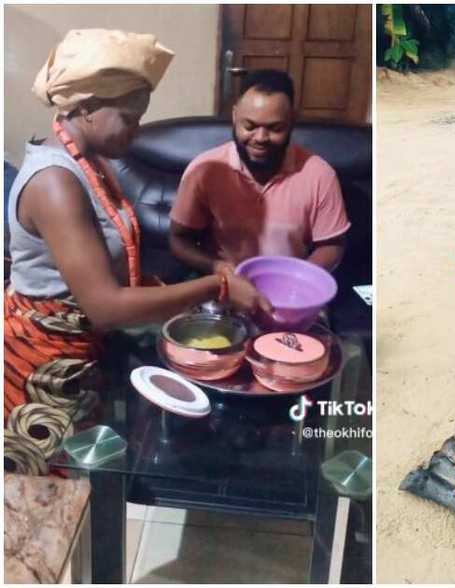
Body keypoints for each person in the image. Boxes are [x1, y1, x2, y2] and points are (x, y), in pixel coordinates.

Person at [4, 29, 273, 475]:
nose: (137, 129)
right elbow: (106, 307)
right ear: (84, 108)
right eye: (128, 117)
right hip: (44, 363)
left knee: (82, 482)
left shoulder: (90, 162)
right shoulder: (55, 183)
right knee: (48, 496)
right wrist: (219, 283)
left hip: (80, 351)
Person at [169, 69, 350, 277]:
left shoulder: (320, 175)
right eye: (249, 126)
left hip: (291, 288)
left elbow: (332, 244)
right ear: (235, 116)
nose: (260, 138)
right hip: (221, 286)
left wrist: (299, 277)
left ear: (292, 120)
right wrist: (218, 269)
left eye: (275, 128)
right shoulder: (203, 169)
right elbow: (179, 238)